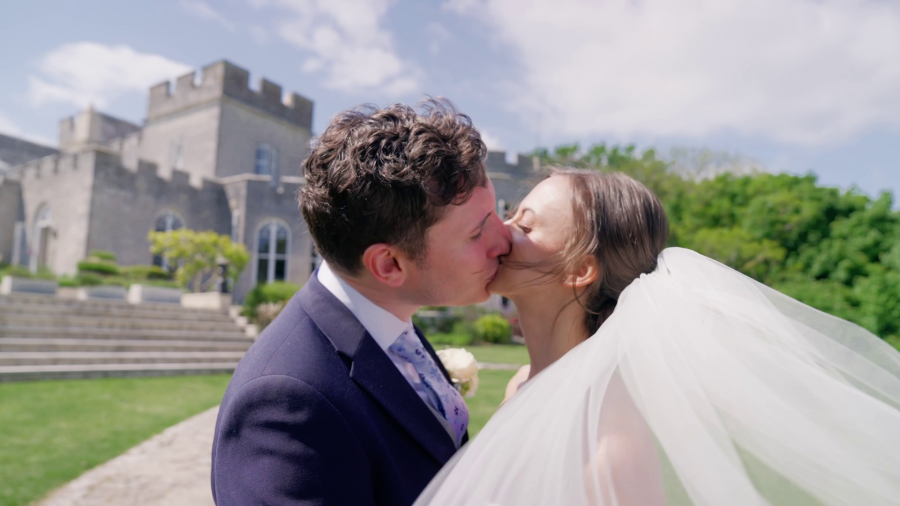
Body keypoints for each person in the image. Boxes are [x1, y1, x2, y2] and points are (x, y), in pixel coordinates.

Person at [415, 169, 900, 506]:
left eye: (526, 224)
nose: (501, 231)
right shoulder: (522, 383)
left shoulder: (609, 431)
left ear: (580, 270)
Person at [210, 99, 511, 506]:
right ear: (389, 265)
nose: (504, 239)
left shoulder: (393, 326)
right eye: (477, 232)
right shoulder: (285, 408)